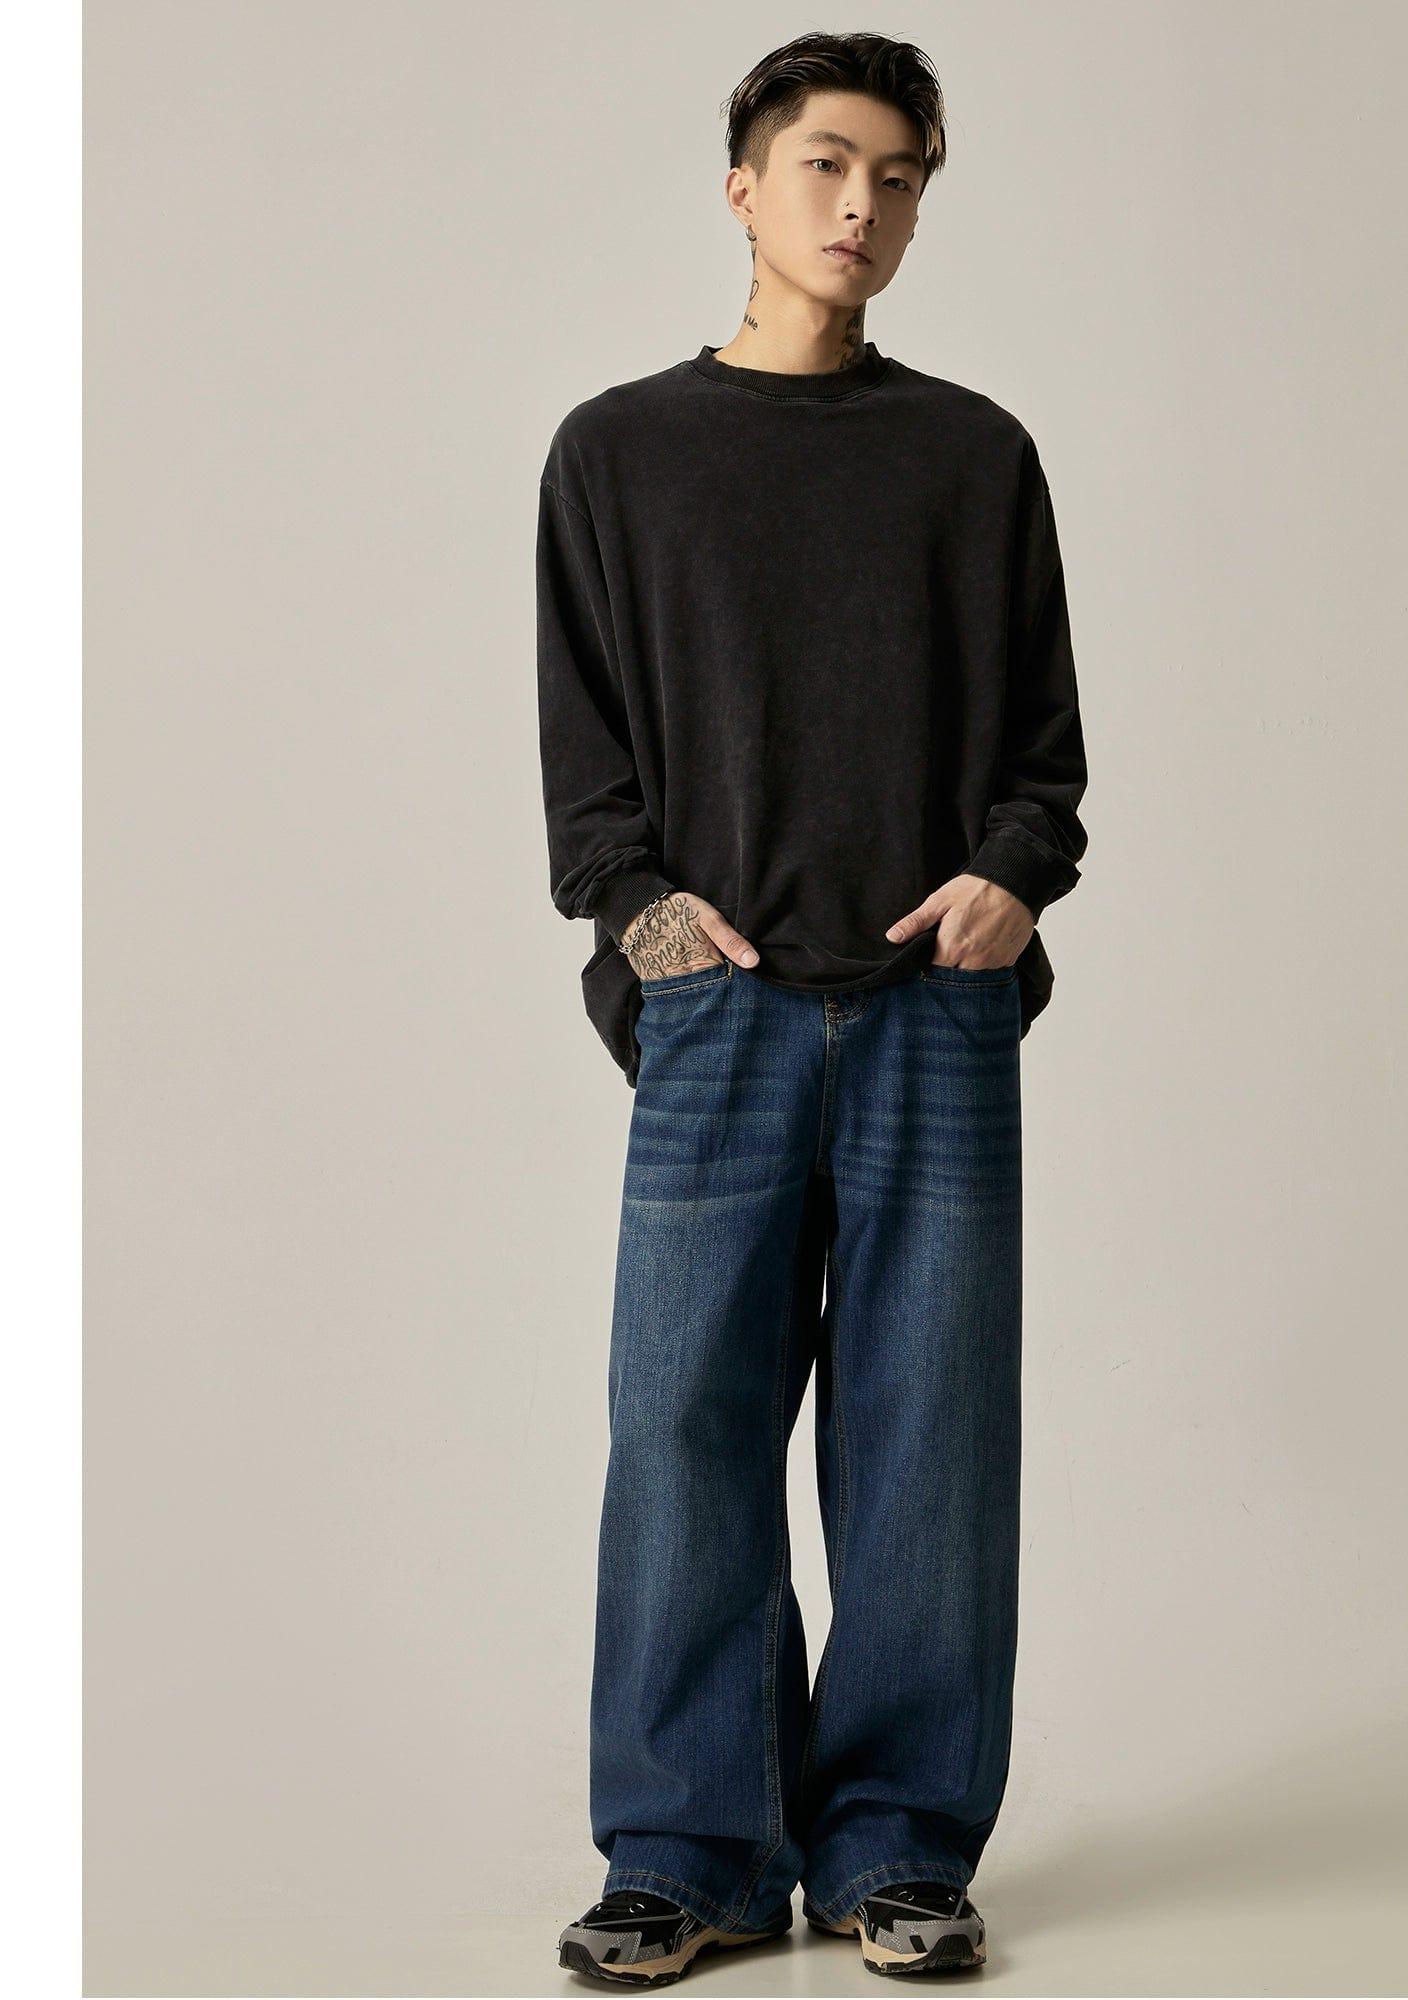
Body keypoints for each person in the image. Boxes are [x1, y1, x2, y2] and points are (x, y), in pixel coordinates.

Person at [538, 31, 1087, 1984]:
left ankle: (898, 1847)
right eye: (829, 164)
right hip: (721, 1010)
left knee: (930, 1439)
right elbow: (589, 758)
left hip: (936, 1006)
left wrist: (1011, 876)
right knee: (681, 1426)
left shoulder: (972, 456)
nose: (865, 207)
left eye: (902, 176)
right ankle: (686, 1850)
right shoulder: (620, 450)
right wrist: (643, 915)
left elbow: (1043, 755)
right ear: (743, 185)